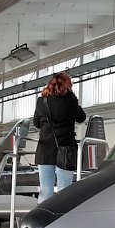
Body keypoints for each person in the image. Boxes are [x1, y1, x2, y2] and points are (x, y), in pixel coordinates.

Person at [33, 72, 86, 203]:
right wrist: (73, 99)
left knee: (45, 190)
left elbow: (36, 123)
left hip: (45, 149)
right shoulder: (71, 102)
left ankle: (43, 221)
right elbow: (82, 118)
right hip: (66, 149)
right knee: (64, 190)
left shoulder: (41, 102)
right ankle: (61, 220)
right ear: (68, 86)